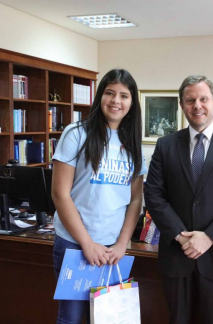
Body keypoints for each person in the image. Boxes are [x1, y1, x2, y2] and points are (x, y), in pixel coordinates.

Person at [144, 75, 213, 324]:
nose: (198, 105)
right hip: (177, 253)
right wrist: (180, 235)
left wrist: (208, 237)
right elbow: (153, 194)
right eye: (190, 100)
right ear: (181, 105)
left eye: (203, 99)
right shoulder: (165, 145)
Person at [51, 69, 147, 324]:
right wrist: (86, 243)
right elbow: (60, 194)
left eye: (124, 96)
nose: (116, 101)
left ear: (131, 102)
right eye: (110, 93)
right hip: (73, 243)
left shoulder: (133, 145)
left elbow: (135, 200)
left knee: (108, 318)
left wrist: (121, 244)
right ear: (100, 96)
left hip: (112, 248)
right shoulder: (76, 133)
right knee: (71, 318)